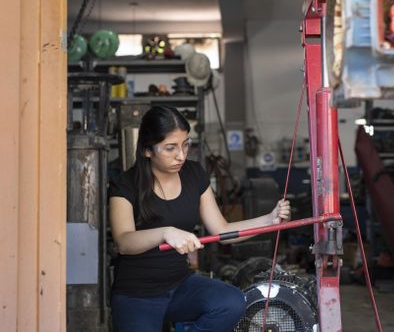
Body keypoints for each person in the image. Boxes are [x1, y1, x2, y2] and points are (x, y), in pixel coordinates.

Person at [108, 106, 291, 332]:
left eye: (186, 144)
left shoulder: (194, 174)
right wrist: (165, 233)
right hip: (136, 296)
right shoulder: (125, 184)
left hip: (179, 286)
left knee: (230, 302)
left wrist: (269, 220)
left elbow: (221, 229)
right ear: (147, 150)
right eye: (170, 148)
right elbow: (124, 242)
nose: (181, 155)